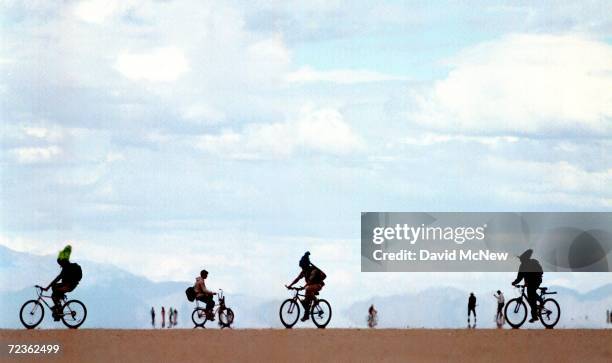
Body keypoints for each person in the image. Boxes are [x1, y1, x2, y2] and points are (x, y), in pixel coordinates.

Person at [42, 245, 82, 321]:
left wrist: (47, 287)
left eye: (60, 263)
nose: (60, 265)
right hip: (68, 285)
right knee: (54, 289)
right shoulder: (66, 267)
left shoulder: (67, 268)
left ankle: (59, 309)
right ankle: (58, 306)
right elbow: (58, 279)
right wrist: (49, 287)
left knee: (54, 292)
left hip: (69, 286)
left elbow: (58, 278)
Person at [286, 252, 327, 322]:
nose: (302, 268)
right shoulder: (304, 271)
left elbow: (310, 281)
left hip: (318, 285)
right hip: (310, 286)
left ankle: (316, 301)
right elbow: (297, 279)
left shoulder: (314, 270)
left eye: (302, 266)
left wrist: (303, 287)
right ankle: (306, 315)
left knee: (307, 289)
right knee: (306, 301)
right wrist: (290, 285)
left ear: (305, 265)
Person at [512, 249, 544, 323]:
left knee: (531, 294)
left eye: (521, 259)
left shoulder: (528, 264)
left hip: (536, 281)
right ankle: (535, 315)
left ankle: (541, 302)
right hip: (532, 282)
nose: (520, 260)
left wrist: (515, 282)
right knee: (531, 298)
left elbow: (521, 277)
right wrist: (515, 282)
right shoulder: (523, 265)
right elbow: (520, 277)